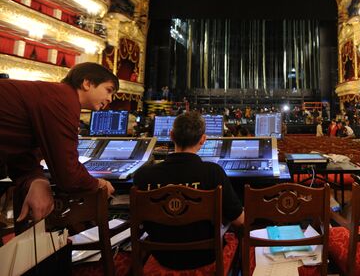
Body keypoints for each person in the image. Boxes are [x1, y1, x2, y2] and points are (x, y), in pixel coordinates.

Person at [0, 62, 117, 223]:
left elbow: (22, 152)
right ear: (87, 83)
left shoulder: (54, 95)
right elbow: (68, 175)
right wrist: (99, 184)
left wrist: (37, 180)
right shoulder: (63, 100)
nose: (110, 99)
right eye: (109, 90)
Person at [133, 112, 244, 270]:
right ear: (203, 139)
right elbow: (239, 221)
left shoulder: (142, 175)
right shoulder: (213, 172)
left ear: (171, 135)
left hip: (162, 257)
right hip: (206, 257)